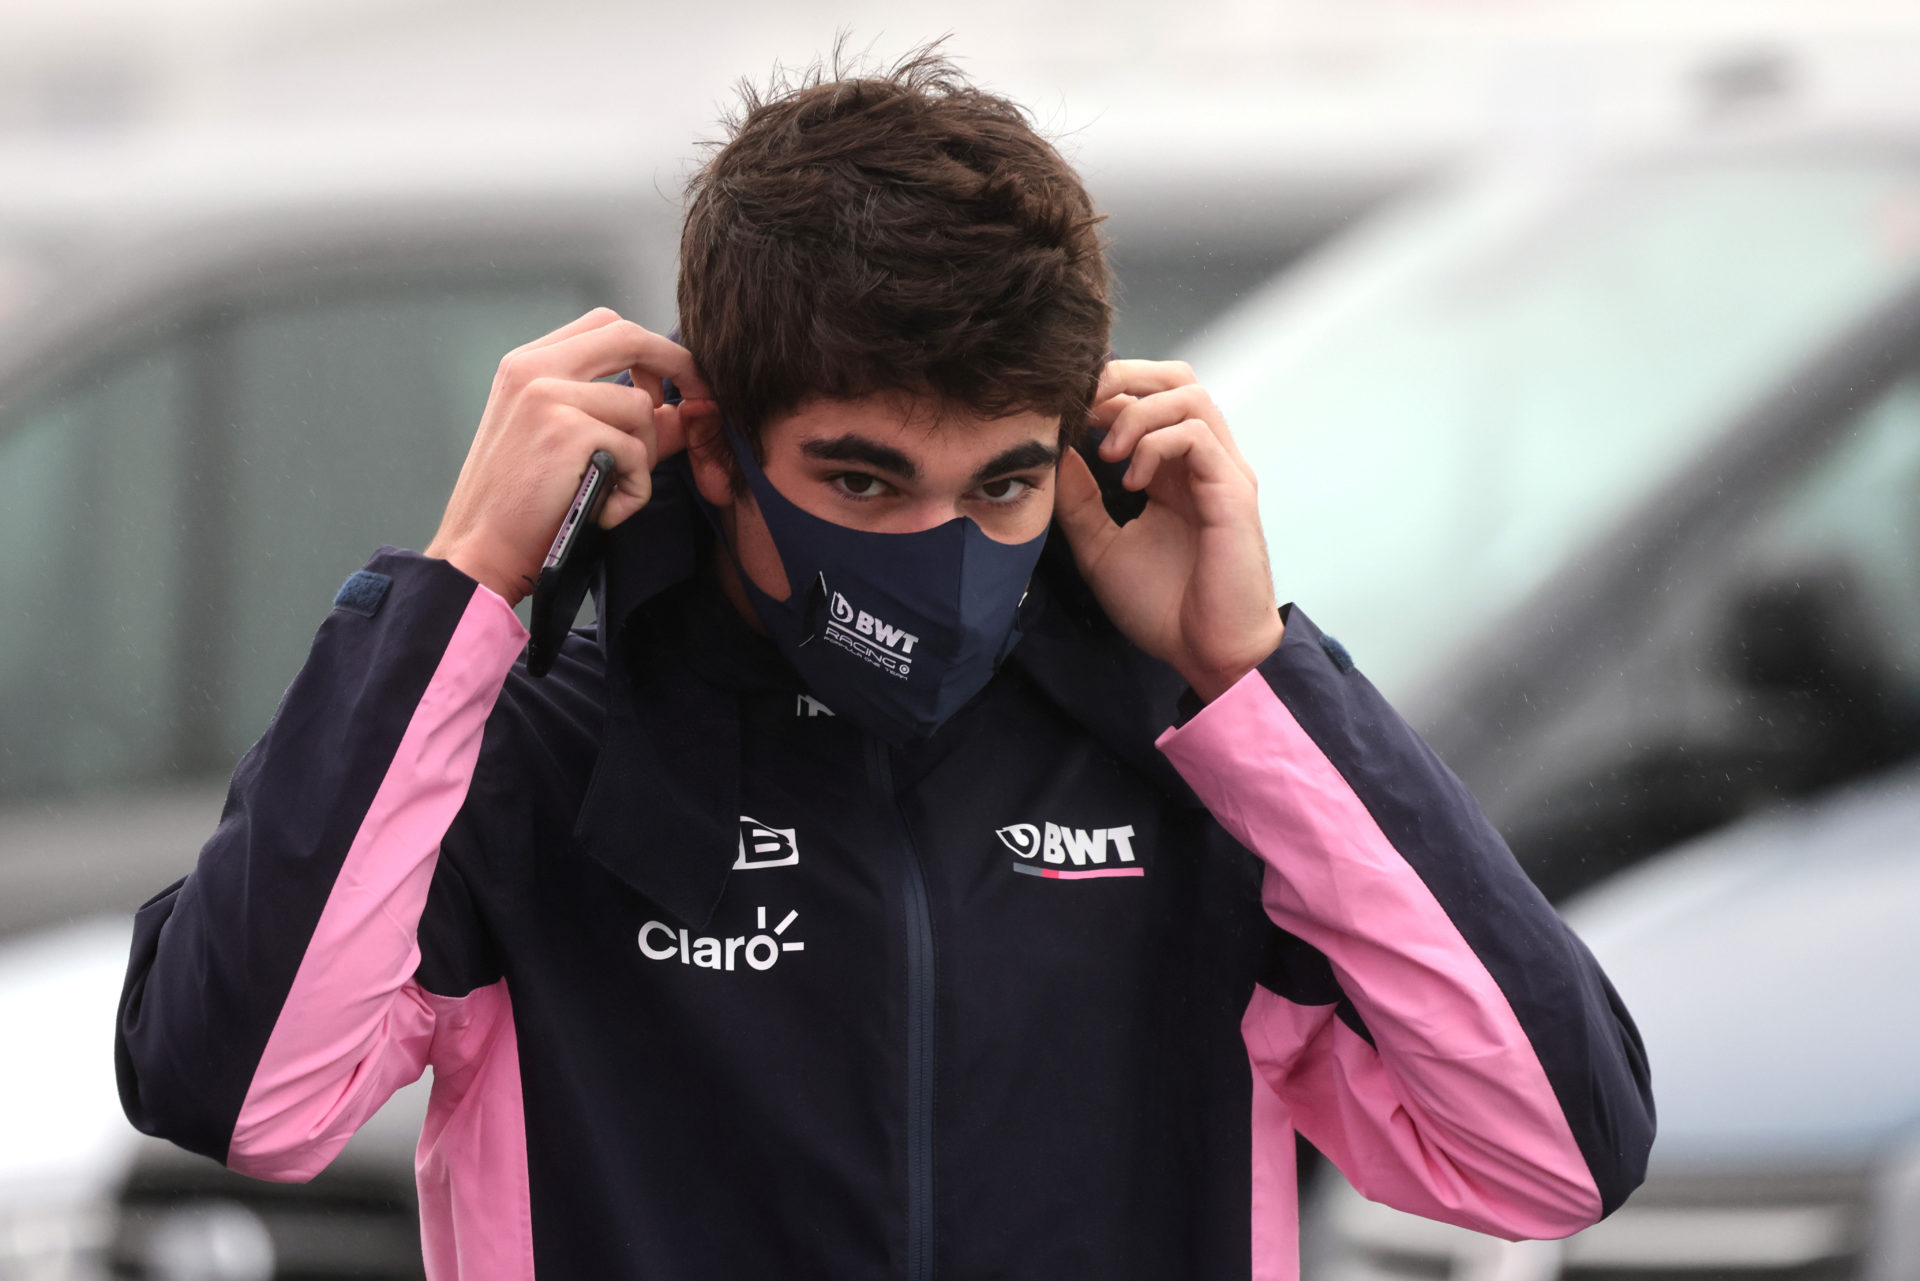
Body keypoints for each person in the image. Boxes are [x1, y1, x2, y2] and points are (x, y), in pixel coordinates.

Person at [114, 48, 1654, 1280]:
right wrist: (462, 589)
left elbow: (1554, 1155)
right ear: (717, 448)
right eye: (862, 484)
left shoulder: (1197, 783)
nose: (940, 545)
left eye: (999, 484)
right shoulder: (548, 765)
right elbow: (242, 1090)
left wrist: (1253, 674)